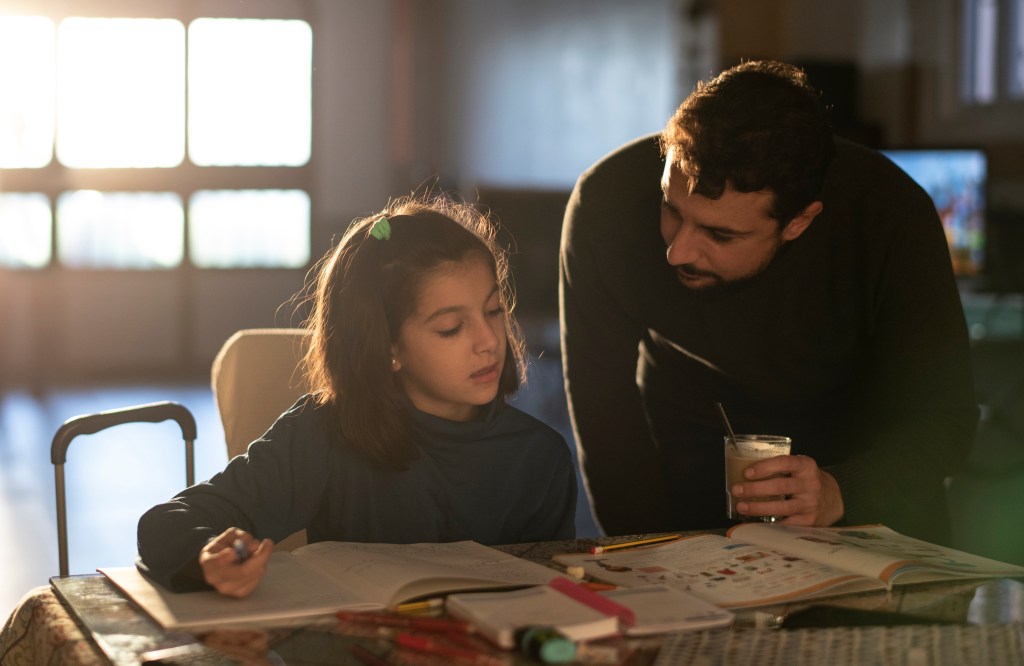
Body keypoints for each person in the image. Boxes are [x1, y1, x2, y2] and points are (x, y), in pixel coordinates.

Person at [559, 60, 977, 545]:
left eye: (720, 234)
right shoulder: (605, 201)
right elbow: (602, 406)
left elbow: (945, 417)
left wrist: (842, 491)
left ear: (798, 223)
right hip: (690, 461)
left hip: (867, 484)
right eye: (672, 210)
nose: (678, 251)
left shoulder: (890, 216)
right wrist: (642, 555)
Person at [138, 194, 577, 596]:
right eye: (451, 328)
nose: (489, 341)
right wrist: (209, 556)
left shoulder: (539, 458)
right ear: (387, 348)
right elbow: (165, 525)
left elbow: (552, 599)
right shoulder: (324, 435)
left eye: (494, 310)